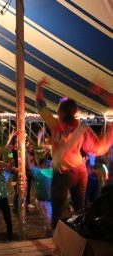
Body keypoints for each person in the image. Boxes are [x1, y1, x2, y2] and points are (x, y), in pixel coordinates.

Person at [36, 76, 113, 229]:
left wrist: (39, 87)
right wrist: (111, 131)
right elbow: (97, 149)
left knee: (57, 210)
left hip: (63, 173)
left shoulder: (56, 125)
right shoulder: (81, 128)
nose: (56, 110)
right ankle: (80, 241)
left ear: (62, 112)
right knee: (80, 211)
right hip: (80, 172)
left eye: (58, 108)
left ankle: (57, 243)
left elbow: (41, 107)